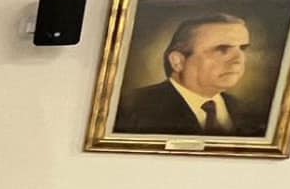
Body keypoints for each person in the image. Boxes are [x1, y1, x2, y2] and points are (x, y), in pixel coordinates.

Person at [114, 14, 269, 136]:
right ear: (178, 61)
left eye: (243, 49)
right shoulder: (131, 108)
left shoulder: (251, 114)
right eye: (222, 49)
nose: (239, 60)